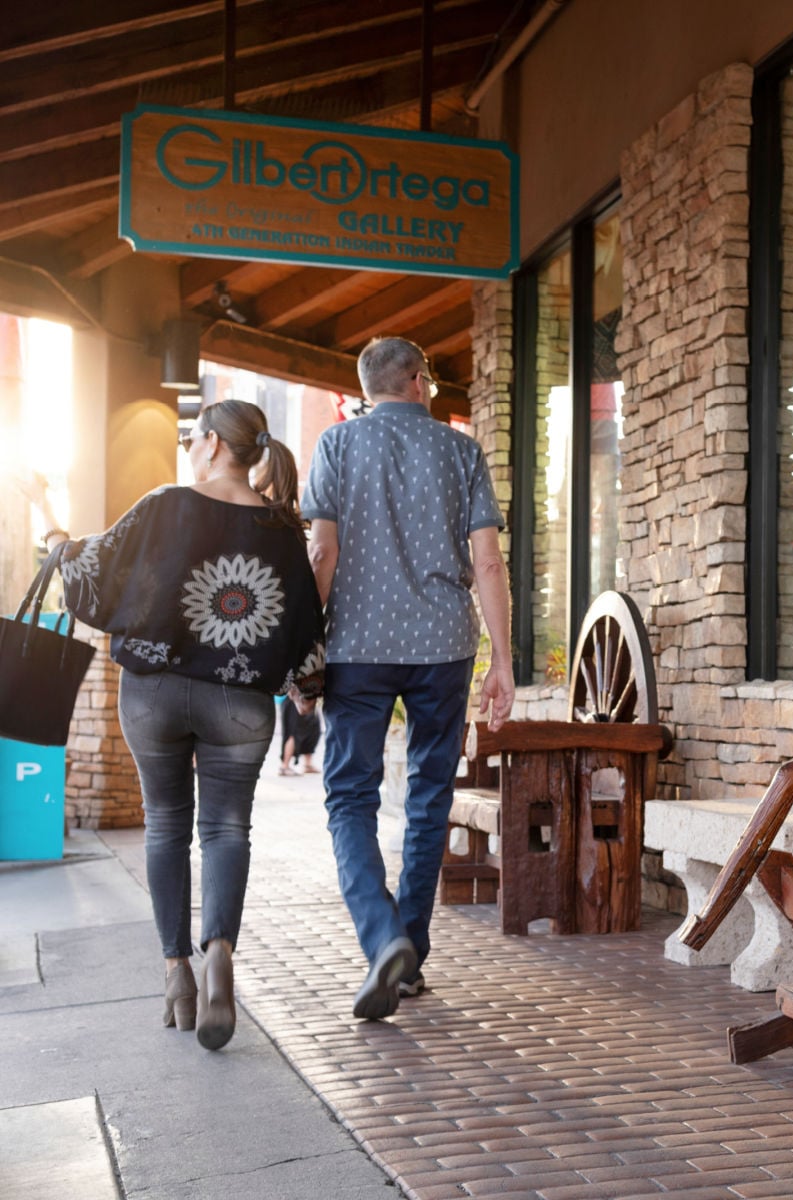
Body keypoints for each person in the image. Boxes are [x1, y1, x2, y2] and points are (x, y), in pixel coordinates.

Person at [21, 400, 325, 1051]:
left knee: (165, 823)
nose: (189, 448)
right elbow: (305, 622)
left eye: (194, 439)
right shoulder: (280, 529)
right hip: (240, 704)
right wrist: (304, 687)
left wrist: (47, 518)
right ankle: (219, 950)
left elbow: (87, 576)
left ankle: (176, 973)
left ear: (214, 445)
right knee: (226, 828)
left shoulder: (164, 506)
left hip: (154, 696)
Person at [303, 336, 514, 1021]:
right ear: (420, 382)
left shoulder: (337, 446)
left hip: (358, 646)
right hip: (442, 647)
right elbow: (488, 563)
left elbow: (322, 551)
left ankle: (382, 937)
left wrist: (307, 643)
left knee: (350, 798)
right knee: (429, 795)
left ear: (369, 388)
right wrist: (503, 663)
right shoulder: (461, 451)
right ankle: (410, 955)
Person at [279, 695, 321, 774]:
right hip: (293, 698)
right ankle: (284, 766)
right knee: (293, 732)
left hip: (308, 696)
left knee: (312, 731)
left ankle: (308, 765)